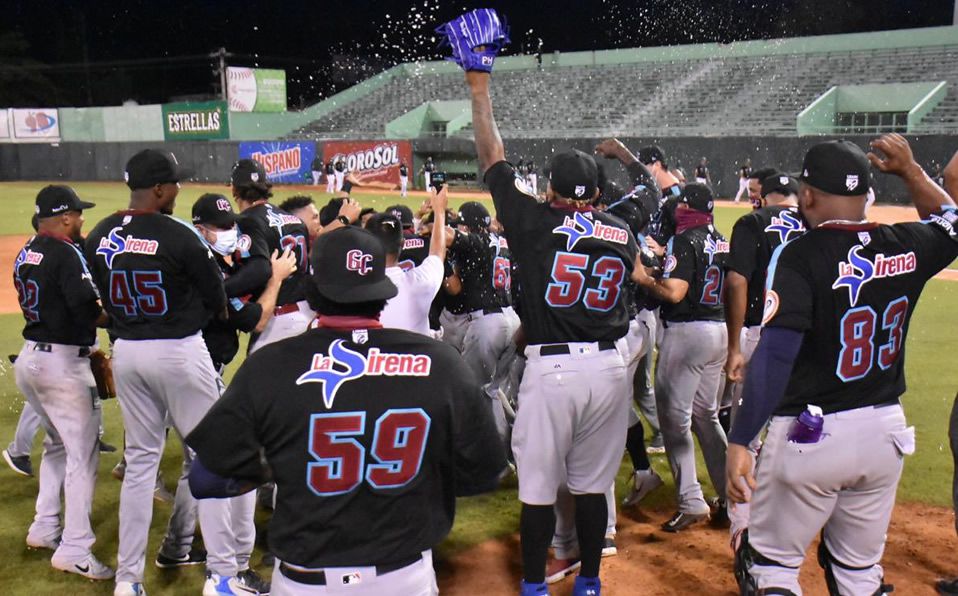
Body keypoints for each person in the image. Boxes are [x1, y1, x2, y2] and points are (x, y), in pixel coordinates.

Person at [185, 225, 507, 596]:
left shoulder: (269, 365)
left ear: (314, 290)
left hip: (305, 583)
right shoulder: (440, 363)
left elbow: (205, 480)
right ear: (384, 293)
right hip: (403, 579)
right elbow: (482, 472)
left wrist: (278, 464)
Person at [450, 11, 639, 592]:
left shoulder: (532, 221)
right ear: (598, 194)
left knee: (536, 490)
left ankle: (533, 585)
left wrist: (479, 87)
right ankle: (589, 582)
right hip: (610, 368)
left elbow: (491, 158)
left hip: (553, 369)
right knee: (590, 488)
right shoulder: (621, 232)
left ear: (550, 189)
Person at [727, 136, 958, 596]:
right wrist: (911, 171)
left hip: (809, 436)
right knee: (857, 573)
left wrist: (740, 438)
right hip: (885, 436)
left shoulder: (800, 254)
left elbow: (775, 356)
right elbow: (953, 219)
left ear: (807, 195)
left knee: (768, 567)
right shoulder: (907, 242)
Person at [83, 149, 248, 596]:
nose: (178, 189)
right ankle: (224, 574)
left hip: (129, 353)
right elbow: (216, 299)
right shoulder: (177, 235)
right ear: (158, 190)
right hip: (178, 350)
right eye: (173, 184)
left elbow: (95, 299)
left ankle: (128, 580)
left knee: (140, 465)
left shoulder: (99, 234)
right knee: (211, 457)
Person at [13, 185, 113, 580]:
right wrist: (122, 319)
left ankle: (43, 527)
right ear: (66, 217)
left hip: (30, 359)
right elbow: (88, 309)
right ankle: (74, 548)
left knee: (56, 444)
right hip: (63, 366)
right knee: (82, 455)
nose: (83, 219)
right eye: (79, 214)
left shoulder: (28, 249)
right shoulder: (66, 252)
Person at [633, 183, 730, 533]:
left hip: (688, 334)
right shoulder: (721, 238)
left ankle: (691, 500)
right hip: (718, 331)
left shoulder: (684, 240)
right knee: (707, 416)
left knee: (675, 421)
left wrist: (645, 278)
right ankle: (731, 498)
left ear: (688, 208)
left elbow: (675, 293)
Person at [722, 173, 805, 547]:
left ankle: (743, 527)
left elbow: (737, 281)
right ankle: (792, 517)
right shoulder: (812, 220)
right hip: (806, 341)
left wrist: (734, 345)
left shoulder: (753, 221)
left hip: (762, 334)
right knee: (799, 432)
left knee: (747, 434)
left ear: (765, 196)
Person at [230, 158, 313, 353]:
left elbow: (256, 271)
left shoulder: (247, 221)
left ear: (235, 190)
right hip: (307, 315)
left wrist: (222, 290)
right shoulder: (295, 220)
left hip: (275, 319)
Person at [367, 188, 447, 335]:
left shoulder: (353, 287)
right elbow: (437, 253)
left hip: (372, 356)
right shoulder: (420, 282)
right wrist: (439, 212)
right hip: (417, 355)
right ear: (402, 244)